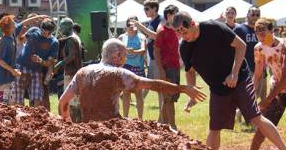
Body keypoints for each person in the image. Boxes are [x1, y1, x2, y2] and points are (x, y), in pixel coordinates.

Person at [173, 12, 286, 150]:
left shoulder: (213, 28)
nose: (182, 36)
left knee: (255, 118)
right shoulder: (185, 47)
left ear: (192, 24)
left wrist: (234, 73)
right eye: (178, 33)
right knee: (215, 126)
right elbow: (189, 71)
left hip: (240, 78)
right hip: (218, 88)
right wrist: (191, 90)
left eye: (183, 31)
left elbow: (241, 46)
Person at [58, 38, 205, 123]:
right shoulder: (118, 73)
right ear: (117, 55)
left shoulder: (82, 72)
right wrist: (182, 88)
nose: (125, 59)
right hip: (112, 130)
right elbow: (153, 85)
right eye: (124, 55)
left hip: (88, 128)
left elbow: (63, 102)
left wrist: (66, 120)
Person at [248, 19, 286, 150]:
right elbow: (258, 74)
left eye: (263, 32)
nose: (260, 36)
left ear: (272, 31)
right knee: (265, 121)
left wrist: (268, 99)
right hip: (277, 86)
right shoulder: (259, 48)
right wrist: (251, 95)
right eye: (257, 32)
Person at [17, 18, 59, 109]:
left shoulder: (54, 43)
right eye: (43, 30)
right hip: (22, 66)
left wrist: (40, 61)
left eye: (47, 32)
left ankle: (34, 117)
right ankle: (19, 117)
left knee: (37, 97)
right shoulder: (33, 31)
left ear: (51, 32)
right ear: (41, 27)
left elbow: (49, 62)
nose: (44, 33)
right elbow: (21, 40)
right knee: (18, 95)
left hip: (37, 70)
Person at [153, 5, 182, 129]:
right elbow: (156, 52)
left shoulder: (176, 31)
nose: (178, 16)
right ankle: (173, 125)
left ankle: (163, 125)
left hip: (175, 67)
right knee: (169, 98)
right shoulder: (162, 31)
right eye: (176, 13)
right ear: (169, 15)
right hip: (166, 68)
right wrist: (161, 70)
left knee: (170, 97)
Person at [119, 17, 147, 119]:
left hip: (137, 68)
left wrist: (134, 51)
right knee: (126, 93)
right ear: (126, 27)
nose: (132, 27)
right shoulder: (122, 37)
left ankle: (140, 118)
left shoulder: (141, 36)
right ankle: (125, 117)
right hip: (125, 68)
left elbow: (143, 49)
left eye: (134, 25)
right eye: (130, 25)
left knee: (138, 93)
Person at [0, 15, 22, 105]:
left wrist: (36, 18)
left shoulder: (11, 36)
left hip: (9, 79)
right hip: (2, 80)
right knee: (1, 106)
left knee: (10, 105)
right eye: (13, 23)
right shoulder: (5, 41)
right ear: (9, 27)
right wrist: (12, 70)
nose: (15, 24)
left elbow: (22, 24)